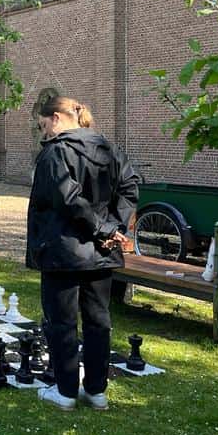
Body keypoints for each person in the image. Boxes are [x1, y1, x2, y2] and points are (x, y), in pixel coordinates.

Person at [27, 96, 139, 411]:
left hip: (63, 251)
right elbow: (131, 188)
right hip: (100, 253)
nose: (44, 132)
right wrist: (114, 228)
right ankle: (96, 391)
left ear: (56, 118)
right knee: (97, 321)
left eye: (43, 125)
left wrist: (105, 229)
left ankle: (65, 392)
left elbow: (68, 199)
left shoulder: (56, 153)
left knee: (62, 323)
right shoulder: (109, 148)